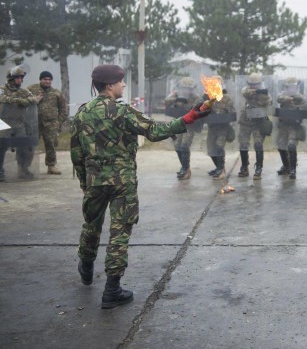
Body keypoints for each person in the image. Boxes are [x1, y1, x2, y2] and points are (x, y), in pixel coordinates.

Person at [71, 64, 210, 309]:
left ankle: (86, 264)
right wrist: (191, 116)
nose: (124, 85)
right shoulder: (122, 111)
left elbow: (76, 152)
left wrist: (84, 181)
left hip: (95, 181)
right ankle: (112, 290)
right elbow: (155, 131)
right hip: (122, 182)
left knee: (91, 224)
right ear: (110, 85)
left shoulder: (82, 113)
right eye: (121, 81)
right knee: (119, 232)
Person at [0, 66, 40, 180]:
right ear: (11, 78)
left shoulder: (24, 91)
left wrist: (26, 101)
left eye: (21, 78)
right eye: (18, 77)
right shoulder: (3, 89)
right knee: (1, 147)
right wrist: (17, 100)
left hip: (19, 123)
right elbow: (1, 98)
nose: (21, 80)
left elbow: (34, 100)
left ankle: (23, 169)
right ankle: (0, 171)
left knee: (23, 146)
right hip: (4, 122)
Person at [27, 71, 68, 175]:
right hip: (34, 123)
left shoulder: (56, 93)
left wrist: (58, 122)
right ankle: (25, 166)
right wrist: (34, 100)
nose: (47, 81)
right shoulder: (31, 90)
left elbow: (64, 108)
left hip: (51, 124)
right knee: (30, 145)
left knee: (51, 145)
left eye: (49, 79)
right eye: (45, 79)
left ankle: (51, 166)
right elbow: (24, 102)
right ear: (40, 79)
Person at [165, 77, 201, 180]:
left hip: (189, 125)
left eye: (188, 89)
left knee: (185, 146)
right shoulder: (176, 94)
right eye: (183, 88)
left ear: (192, 89)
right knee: (177, 146)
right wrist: (176, 99)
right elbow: (167, 101)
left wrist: (187, 103)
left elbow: (197, 109)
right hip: (178, 124)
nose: (186, 90)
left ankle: (185, 169)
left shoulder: (196, 97)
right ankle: (185, 167)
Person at [238, 72, 272, 180]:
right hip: (246, 121)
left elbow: (269, 102)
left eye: (256, 84)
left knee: (258, 144)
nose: (254, 86)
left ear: (260, 83)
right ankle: (244, 166)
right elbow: (244, 92)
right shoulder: (246, 90)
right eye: (252, 84)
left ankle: (258, 168)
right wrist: (255, 91)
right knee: (243, 144)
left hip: (258, 122)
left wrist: (263, 96)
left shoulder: (265, 93)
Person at [276, 76, 307, 179]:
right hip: (283, 126)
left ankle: (293, 169)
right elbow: (279, 98)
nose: (291, 89)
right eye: (289, 87)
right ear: (286, 87)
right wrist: (290, 98)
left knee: (291, 146)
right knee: (281, 146)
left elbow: (304, 106)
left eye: (293, 87)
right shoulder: (283, 96)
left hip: (294, 126)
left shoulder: (300, 98)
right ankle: (286, 166)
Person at [206, 81, 236, 180]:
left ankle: (221, 169)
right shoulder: (208, 97)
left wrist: (224, 115)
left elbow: (232, 112)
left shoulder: (227, 98)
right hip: (212, 127)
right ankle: (218, 167)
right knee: (210, 149)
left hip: (223, 127)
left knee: (219, 146)